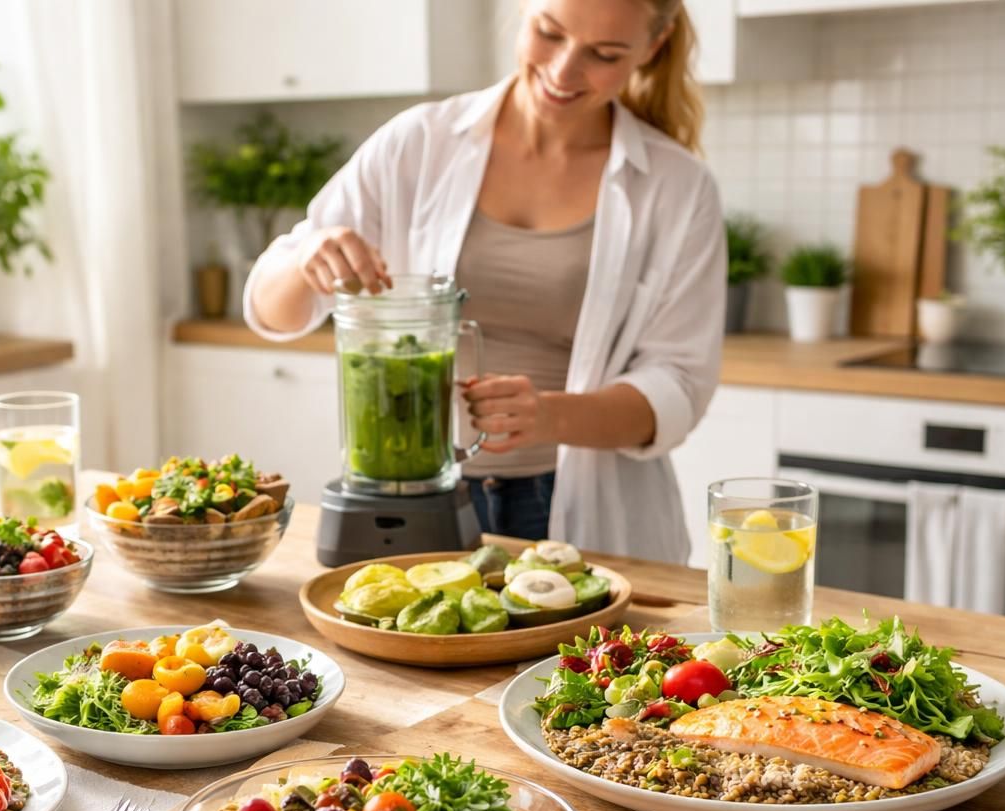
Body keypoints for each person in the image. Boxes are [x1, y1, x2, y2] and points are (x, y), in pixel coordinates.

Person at [244, 0, 724, 563]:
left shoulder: (677, 186)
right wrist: (307, 258)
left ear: (653, 46)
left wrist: (548, 414)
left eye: (604, 53)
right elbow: (270, 311)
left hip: (574, 510)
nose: (564, 70)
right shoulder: (420, 141)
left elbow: (678, 387)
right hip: (420, 499)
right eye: (550, 33)